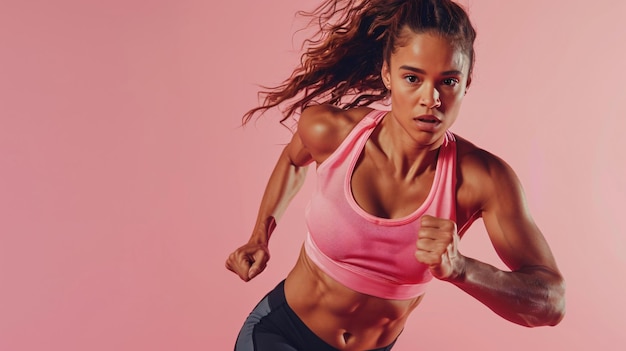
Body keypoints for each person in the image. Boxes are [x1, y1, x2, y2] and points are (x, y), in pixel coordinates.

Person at [225, 0, 566, 350]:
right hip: (282, 334)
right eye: (412, 78)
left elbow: (551, 302)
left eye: (448, 81)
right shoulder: (332, 131)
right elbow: (294, 161)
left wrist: (463, 269)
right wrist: (259, 237)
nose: (430, 99)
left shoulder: (482, 180)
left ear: (466, 84)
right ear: (388, 74)